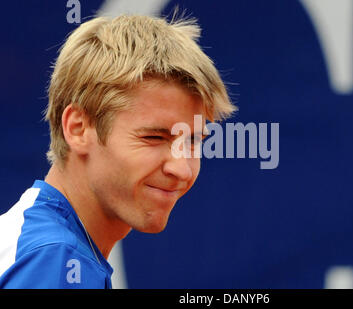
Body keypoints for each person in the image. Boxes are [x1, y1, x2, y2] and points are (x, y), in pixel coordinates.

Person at [0, 14, 236, 288]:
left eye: (193, 141)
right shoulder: (59, 260)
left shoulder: (38, 243)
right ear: (77, 128)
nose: (181, 168)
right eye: (154, 137)